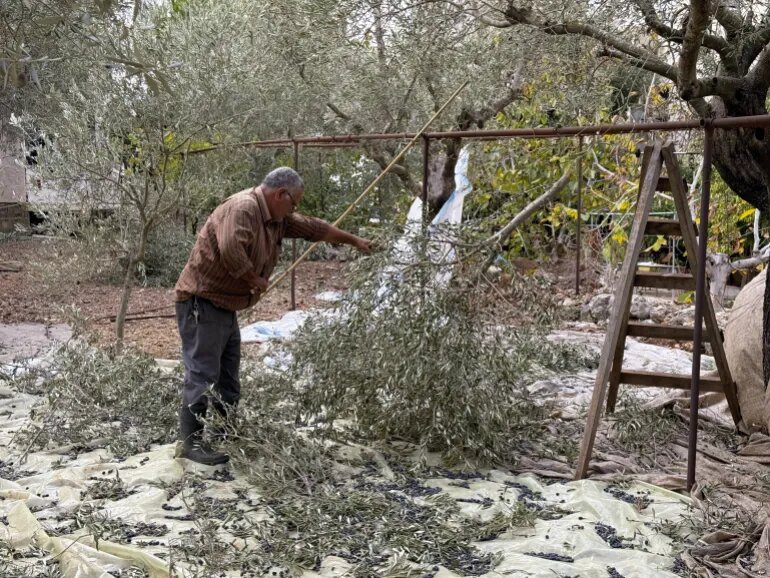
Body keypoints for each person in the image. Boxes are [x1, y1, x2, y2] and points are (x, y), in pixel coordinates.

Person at [173, 167, 371, 465]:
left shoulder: (275, 217)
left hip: (225, 306)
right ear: (281, 194)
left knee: (228, 376)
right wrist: (254, 278)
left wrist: (354, 240)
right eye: (294, 202)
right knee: (202, 374)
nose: (295, 209)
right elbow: (230, 248)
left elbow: (313, 228)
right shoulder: (243, 208)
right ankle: (189, 444)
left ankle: (228, 432)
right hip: (203, 303)